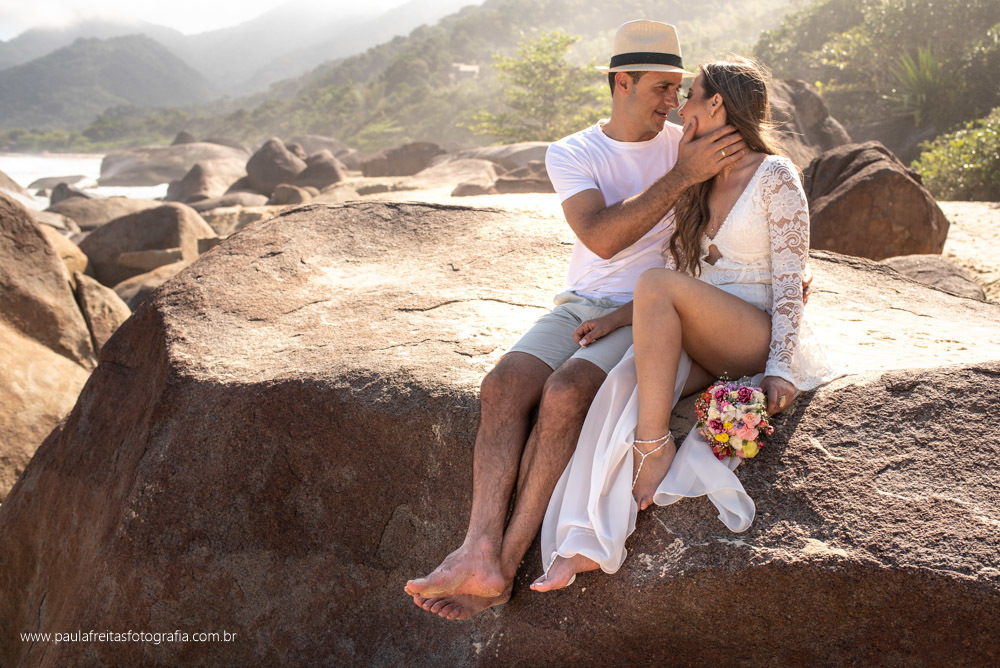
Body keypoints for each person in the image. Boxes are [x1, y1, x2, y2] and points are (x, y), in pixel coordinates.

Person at [404, 20, 750, 620]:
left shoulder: (687, 144)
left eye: (678, 89)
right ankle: (477, 546)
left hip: (651, 308)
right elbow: (600, 236)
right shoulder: (573, 151)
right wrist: (680, 177)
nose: (673, 103)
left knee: (565, 394)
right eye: (660, 88)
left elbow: (751, 208)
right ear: (622, 81)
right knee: (504, 384)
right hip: (581, 302)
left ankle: (502, 566)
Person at [530, 56, 839, 592]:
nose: (679, 106)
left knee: (653, 287)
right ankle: (586, 540)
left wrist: (780, 369)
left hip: (752, 335)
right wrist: (618, 318)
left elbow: (792, 282)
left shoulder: (774, 175)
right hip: (704, 332)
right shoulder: (697, 173)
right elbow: (682, 271)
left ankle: (654, 448)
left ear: (717, 103)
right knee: (622, 383)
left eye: (690, 94)